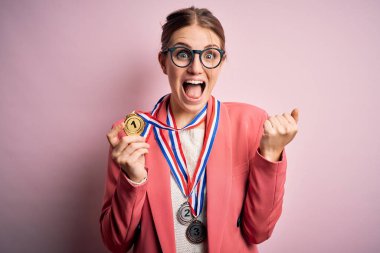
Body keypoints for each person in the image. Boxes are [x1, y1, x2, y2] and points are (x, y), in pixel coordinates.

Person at [100, 6, 299, 253]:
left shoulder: (251, 124)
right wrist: (133, 180)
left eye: (209, 55)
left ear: (221, 63)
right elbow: (115, 243)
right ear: (163, 62)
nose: (196, 67)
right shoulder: (130, 136)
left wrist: (270, 156)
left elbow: (259, 231)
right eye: (183, 54)